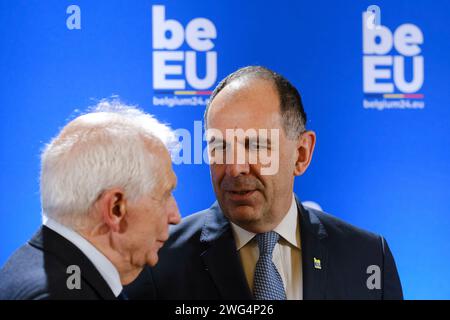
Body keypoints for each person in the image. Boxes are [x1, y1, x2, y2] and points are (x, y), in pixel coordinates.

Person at [125, 66, 403, 300]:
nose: (235, 168)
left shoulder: (367, 257)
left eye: (255, 146)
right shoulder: (156, 260)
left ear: (301, 154)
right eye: (219, 146)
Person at [0, 100, 181, 299]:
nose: (175, 217)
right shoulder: (60, 295)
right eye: (164, 195)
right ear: (115, 209)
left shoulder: (45, 269)